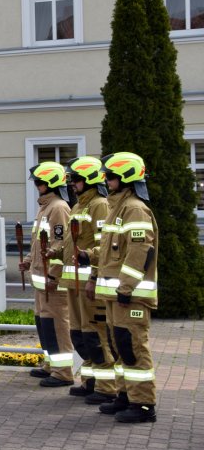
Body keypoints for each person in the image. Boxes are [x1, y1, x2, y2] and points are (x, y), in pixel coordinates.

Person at [94, 152, 159, 424]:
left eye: (109, 176)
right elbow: (112, 251)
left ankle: (143, 404)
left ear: (125, 177)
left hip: (130, 296)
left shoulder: (133, 208)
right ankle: (125, 395)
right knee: (119, 345)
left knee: (133, 348)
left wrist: (126, 287)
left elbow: (139, 250)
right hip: (115, 294)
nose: (106, 181)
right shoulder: (117, 207)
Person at [61, 157, 114, 401]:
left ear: (90, 180)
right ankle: (90, 380)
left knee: (95, 335)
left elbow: (104, 244)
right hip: (73, 283)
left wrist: (92, 269)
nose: (72, 184)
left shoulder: (99, 205)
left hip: (89, 282)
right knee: (80, 336)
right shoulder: (77, 206)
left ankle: (106, 388)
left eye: (77, 179)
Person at [19, 161, 75, 387]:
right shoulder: (45, 207)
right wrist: (28, 262)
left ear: (49, 184)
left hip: (53, 284)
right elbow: (39, 243)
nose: (36, 186)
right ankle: (51, 364)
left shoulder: (59, 207)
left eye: (39, 182)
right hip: (42, 282)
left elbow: (60, 244)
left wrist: (54, 275)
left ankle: (63, 372)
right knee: (44, 324)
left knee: (57, 325)